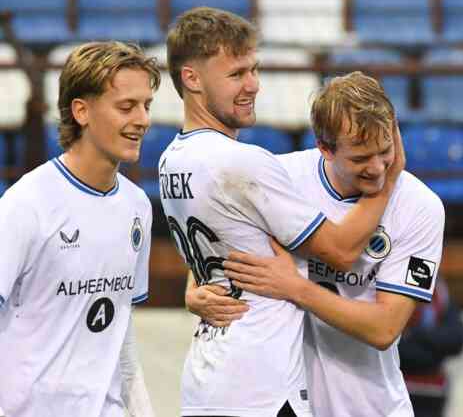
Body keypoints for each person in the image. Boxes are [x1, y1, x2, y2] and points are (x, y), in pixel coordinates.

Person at [161, 8, 404, 417]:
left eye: (254, 69)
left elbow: (223, 240)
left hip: (209, 379)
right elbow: (342, 251)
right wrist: (390, 179)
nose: (253, 85)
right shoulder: (243, 163)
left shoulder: (172, 160)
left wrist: (193, 290)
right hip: (261, 388)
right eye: (237, 74)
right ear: (192, 79)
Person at [188, 71, 446, 417]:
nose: (378, 169)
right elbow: (217, 237)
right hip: (282, 404)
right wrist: (193, 288)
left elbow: (385, 328)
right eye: (359, 159)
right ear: (323, 147)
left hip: (372, 407)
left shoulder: (420, 207)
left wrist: (296, 288)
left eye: (385, 151)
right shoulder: (280, 177)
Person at [0, 41, 159, 417]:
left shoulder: (138, 207)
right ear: (81, 111)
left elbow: (121, 337)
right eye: (126, 106)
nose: (143, 120)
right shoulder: (25, 205)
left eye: (146, 106)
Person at [400, 279, 463, 417]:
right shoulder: (392, 285)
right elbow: (386, 342)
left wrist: (414, 333)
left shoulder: (440, 293)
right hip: (397, 389)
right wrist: (432, 343)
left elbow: (456, 339)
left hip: (432, 393)